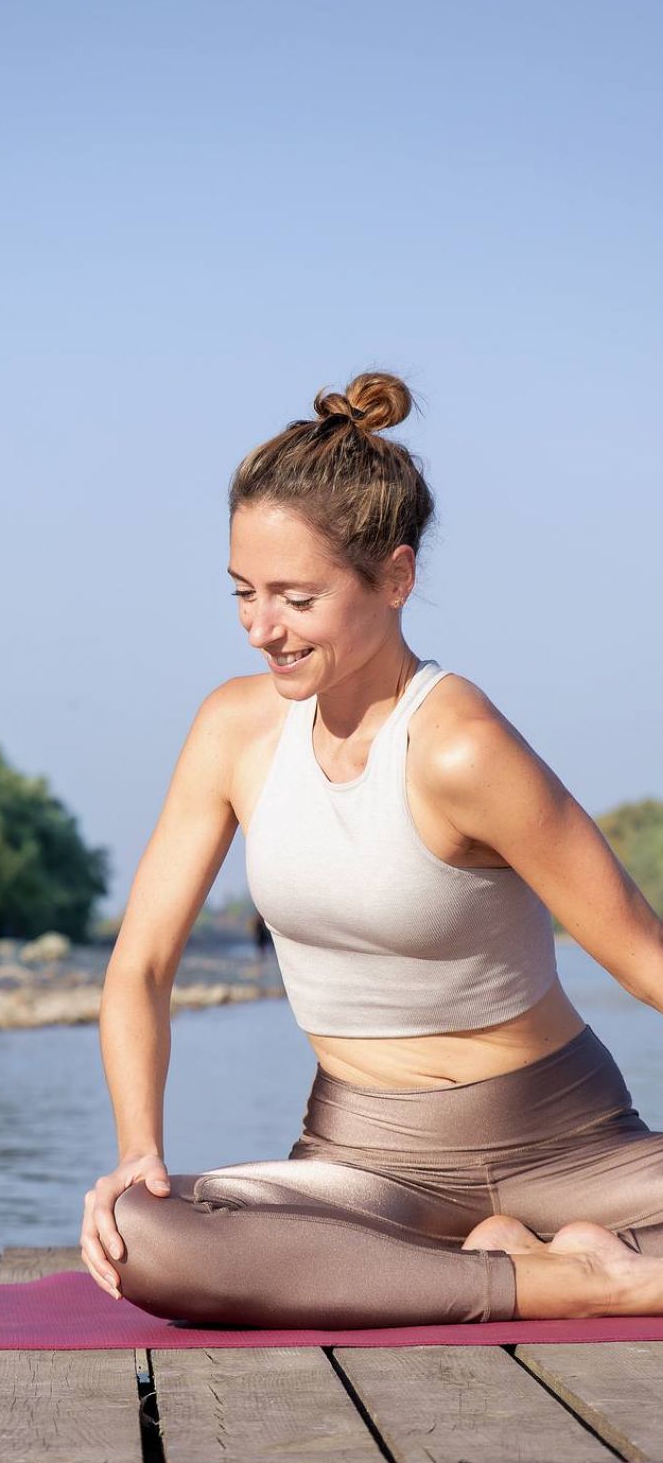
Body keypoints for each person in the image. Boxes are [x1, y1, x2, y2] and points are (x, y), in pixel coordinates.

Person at [78, 370, 663, 1329]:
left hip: (573, 1148)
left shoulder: (463, 744)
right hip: (364, 1160)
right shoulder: (233, 732)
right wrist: (139, 1149)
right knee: (142, 1235)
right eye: (243, 592)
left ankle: (519, 1264)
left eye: (295, 598)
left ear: (396, 578)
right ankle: (568, 1280)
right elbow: (140, 966)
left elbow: (645, 958)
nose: (261, 627)